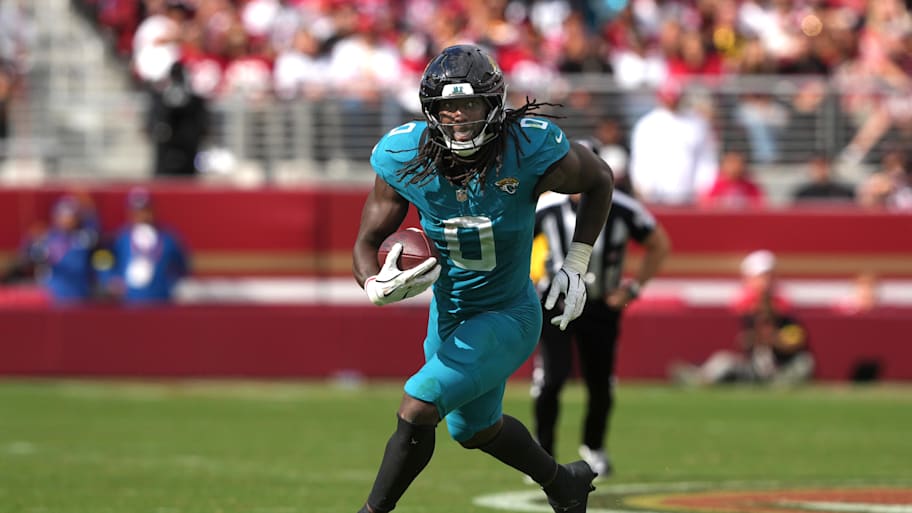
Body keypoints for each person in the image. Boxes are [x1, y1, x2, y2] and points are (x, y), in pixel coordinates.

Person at [351, 44, 614, 513]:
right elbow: (365, 244)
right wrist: (373, 286)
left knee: (418, 407)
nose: (458, 116)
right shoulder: (404, 155)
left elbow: (599, 179)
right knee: (474, 430)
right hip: (449, 313)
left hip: (508, 313)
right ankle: (564, 483)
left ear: (493, 104)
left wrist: (576, 263)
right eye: (447, 106)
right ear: (430, 111)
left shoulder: (527, 148)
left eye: (470, 104)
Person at [530, 160, 671, 479]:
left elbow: (659, 244)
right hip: (555, 302)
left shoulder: (623, 208)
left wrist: (631, 290)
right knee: (551, 378)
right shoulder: (548, 206)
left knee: (600, 382)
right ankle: (541, 452)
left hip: (600, 304)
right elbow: (514, 241)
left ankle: (594, 447)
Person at [628, 78, 719, 205]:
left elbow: (706, 159)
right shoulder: (647, 125)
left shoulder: (698, 124)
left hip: (689, 197)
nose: (672, 102)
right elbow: (641, 159)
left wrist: (703, 188)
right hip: (656, 196)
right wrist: (643, 186)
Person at [103, 187, 190, 303]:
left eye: (145, 210)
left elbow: (182, 265)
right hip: (129, 301)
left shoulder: (168, 238)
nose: (142, 215)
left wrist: (169, 283)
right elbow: (103, 259)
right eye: (137, 211)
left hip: (160, 299)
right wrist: (109, 278)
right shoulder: (120, 238)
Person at [791, 154, 855, 203]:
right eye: (816, 166)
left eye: (823, 166)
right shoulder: (803, 195)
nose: (820, 170)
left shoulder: (845, 194)